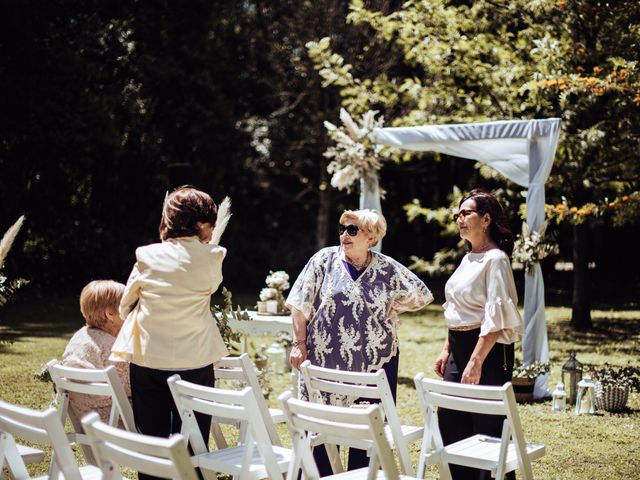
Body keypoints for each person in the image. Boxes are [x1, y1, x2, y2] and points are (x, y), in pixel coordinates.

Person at [287, 208, 433, 475]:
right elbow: (299, 304)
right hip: (323, 361)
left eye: (352, 230)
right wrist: (299, 343)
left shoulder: (387, 268)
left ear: (372, 237)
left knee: (366, 431)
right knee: (320, 426)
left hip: (375, 362)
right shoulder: (324, 260)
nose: (345, 234)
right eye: (342, 229)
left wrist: (388, 312)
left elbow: (420, 294)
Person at [111, 186, 228, 480]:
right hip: (196, 360)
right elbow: (210, 286)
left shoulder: (147, 255)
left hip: (149, 358)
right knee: (193, 444)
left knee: (152, 444)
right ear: (200, 224)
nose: (213, 231)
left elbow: (126, 304)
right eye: (211, 224)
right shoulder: (214, 256)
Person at [434, 189, 523, 480]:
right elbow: (459, 309)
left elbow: (494, 319)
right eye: (457, 214)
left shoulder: (496, 259)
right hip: (458, 347)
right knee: (450, 419)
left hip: (487, 351)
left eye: (466, 213)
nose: (459, 219)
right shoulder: (468, 257)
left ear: (486, 219)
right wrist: (447, 349)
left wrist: (476, 361)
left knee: (487, 429)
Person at [62, 280, 131, 423]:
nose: (131, 312)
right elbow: (133, 387)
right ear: (110, 314)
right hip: (114, 423)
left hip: (86, 421)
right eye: (127, 306)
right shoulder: (113, 349)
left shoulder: (79, 338)